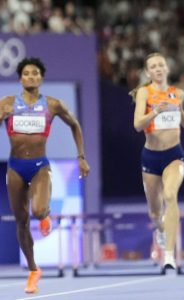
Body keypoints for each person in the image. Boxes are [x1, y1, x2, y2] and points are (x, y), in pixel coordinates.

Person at [0, 57, 90, 293]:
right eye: (26, 73)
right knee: (21, 221)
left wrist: (80, 157)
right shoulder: (7, 104)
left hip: (39, 165)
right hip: (15, 167)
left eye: (35, 73)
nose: (30, 76)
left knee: (38, 211)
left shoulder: (52, 105)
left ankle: (46, 214)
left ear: (41, 78)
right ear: (20, 78)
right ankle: (33, 270)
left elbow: (75, 125)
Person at [130, 53, 184, 270]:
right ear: (148, 73)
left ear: (167, 69)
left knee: (170, 196)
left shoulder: (177, 93)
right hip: (150, 157)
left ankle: (169, 255)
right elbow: (138, 125)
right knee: (155, 213)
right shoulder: (144, 93)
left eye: (161, 65)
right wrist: (156, 111)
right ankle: (160, 230)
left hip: (174, 155)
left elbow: (181, 114)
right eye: (153, 66)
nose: (157, 69)